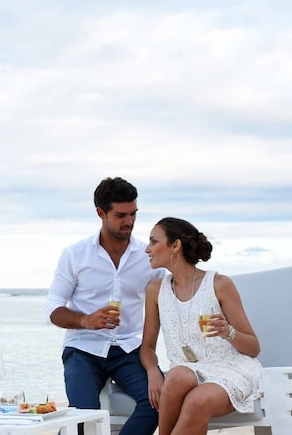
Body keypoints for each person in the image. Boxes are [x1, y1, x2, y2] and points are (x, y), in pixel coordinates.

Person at [44, 177, 163, 435]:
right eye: (121, 215)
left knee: (157, 403)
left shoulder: (148, 257)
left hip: (129, 349)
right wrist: (86, 320)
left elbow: (172, 298)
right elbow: (53, 309)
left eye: (133, 214)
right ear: (101, 213)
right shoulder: (75, 255)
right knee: (84, 417)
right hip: (82, 349)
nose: (129, 221)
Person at [139, 217, 263, 435]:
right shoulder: (155, 290)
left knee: (196, 402)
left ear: (175, 245)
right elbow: (147, 347)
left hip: (229, 370)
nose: (147, 249)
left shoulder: (219, 284)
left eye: (154, 242)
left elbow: (253, 348)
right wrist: (153, 373)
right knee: (177, 376)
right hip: (186, 371)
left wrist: (228, 332)